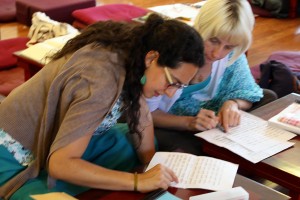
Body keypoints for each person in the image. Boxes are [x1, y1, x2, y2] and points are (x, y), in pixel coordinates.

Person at [0, 14, 205, 199]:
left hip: (51, 142)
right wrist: (137, 182)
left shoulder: (133, 55)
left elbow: (141, 117)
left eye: (180, 87)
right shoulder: (99, 79)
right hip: (15, 161)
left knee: (126, 140)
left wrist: (153, 167)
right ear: (152, 58)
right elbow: (60, 164)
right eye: (173, 82)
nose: (171, 92)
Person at [146, 0, 277, 155]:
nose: (217, 54)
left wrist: (232, 104)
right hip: (169, 122)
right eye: (213, 41)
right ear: (201, 27)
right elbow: (144, 112)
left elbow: (246, 91)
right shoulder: (174, 48)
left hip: (207, 119)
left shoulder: (231, 55)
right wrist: (188, 123)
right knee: (190, 147)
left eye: (228, 47)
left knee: (269, 98)